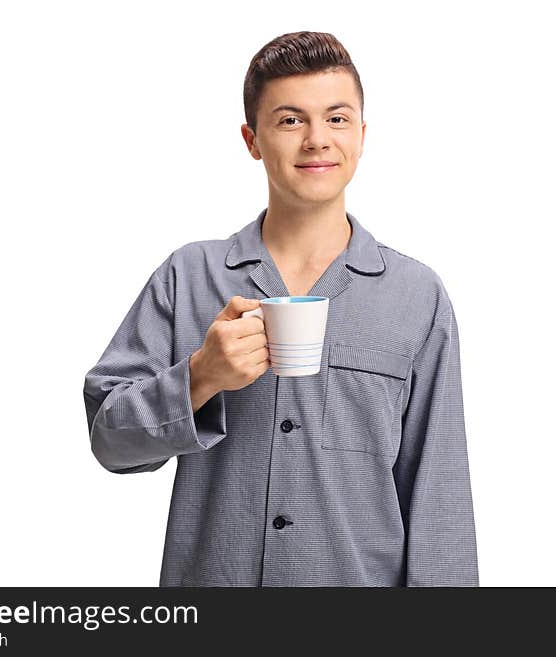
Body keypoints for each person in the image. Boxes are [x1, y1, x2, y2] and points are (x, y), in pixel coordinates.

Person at [82, 31, 479, 586]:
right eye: (291, 120)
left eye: (337, 119)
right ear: (253, 139)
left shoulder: (417, 295)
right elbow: (110, 441)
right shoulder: (188, 277)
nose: (317, 140)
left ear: (362, 135)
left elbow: (440, 497)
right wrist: (199, 378)